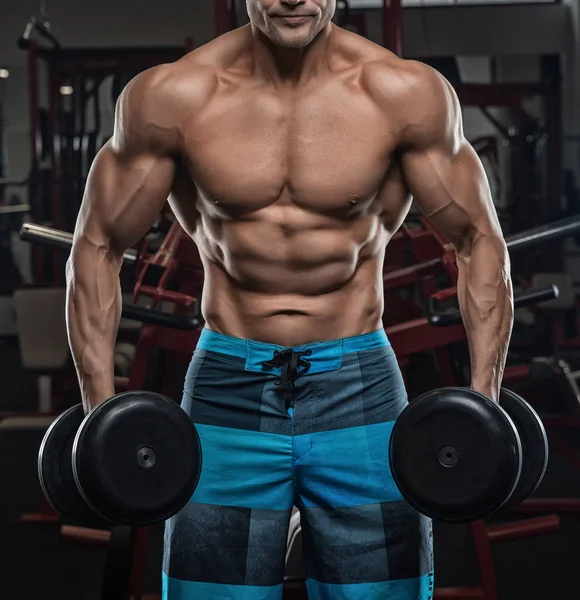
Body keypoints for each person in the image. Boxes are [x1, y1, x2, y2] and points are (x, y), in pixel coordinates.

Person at [65, 1, 514, 598]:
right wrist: (101, 414)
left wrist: (484, 402)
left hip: (358, 382)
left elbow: (479, 240)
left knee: (382, 591)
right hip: (228, 383)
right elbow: (96, 244)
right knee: (211, 591)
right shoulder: (174, 98)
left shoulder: (403, 95)